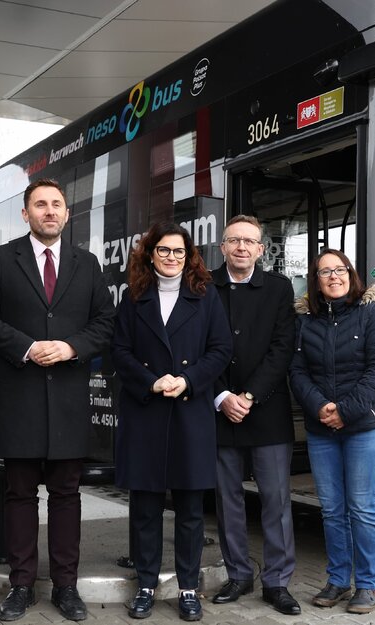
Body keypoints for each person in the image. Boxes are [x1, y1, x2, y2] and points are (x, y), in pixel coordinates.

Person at [0, 179, 115, 622]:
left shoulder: (86, 264)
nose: (49, 211)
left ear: (66, 214)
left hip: (69, 399)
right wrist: (29, 346)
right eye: (40, 205)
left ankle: (66, 587)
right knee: (19, 494)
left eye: (56, 205)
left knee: (66, 494)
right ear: (26, 213)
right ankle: (21, 585)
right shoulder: (2, 260)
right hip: (21, 397)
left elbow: (105, 322)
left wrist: (71, 347)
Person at [111, 223, 232, 622]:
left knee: (190, 510)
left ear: (189, 255)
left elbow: (220, 350)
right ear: (150, 253)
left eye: (179, 252)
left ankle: (187, 588)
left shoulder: (205, 295)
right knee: (145, 508)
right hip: (146, 411)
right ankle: (145, 586)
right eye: (163, 250)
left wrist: (189, 379)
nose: (171, 258)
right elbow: (120, 352)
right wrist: (151, 380)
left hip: (189, 413)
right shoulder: (133, 298)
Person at [289, 249, 375, 615]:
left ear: (350, 273)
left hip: (363, 426)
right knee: (332, 510)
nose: (334, 277)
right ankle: (337, 580)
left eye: (339, 270)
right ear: (315, 281)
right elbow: (297, 372)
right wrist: (320, 408)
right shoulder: (306, 320)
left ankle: (367, 584)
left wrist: (344, 412)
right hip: (322, 429)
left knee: (362, 507)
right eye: (324, 272)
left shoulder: (370, 314)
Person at [208, 216, 300, 615]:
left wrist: (247, 395)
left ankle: (277, 582)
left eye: (250, 241)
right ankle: (239, 575)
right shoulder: (203, 286)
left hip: (266, 409)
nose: (242, 247)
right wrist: (222, 396)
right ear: (223, 247)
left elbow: (283, 349)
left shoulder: (279, 289)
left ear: (262, 249)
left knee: (276, 500)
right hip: (217, 410)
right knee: (227, 500)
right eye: (234, 241)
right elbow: (193, 348)